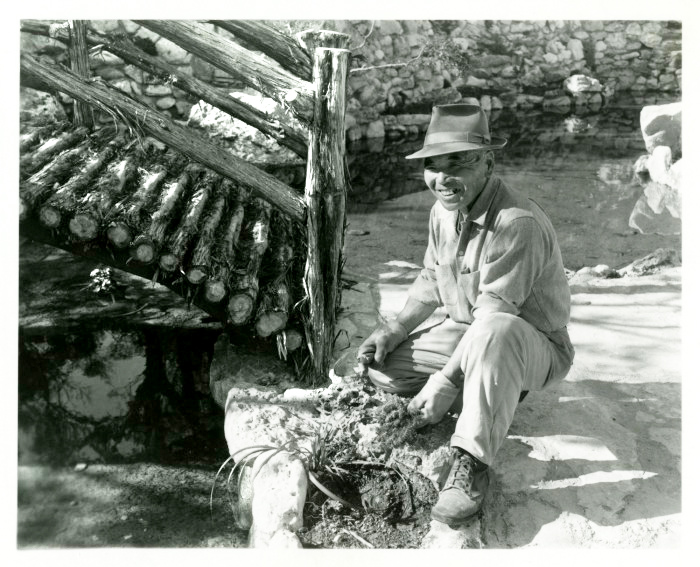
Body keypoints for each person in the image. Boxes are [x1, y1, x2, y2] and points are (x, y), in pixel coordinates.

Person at [357, 104, 575, 526]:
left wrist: (443, 381)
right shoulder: (442, 212)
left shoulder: (517, 224)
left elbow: (493, 320)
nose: (442, 178)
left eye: (458, 162)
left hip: (531, 345)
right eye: (433, 166)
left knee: (493, 333)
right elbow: (430, 276)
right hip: (469, 331)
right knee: (384, 371)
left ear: (489, 162)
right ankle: (493, 393)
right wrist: (396, 328)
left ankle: (471, 464)